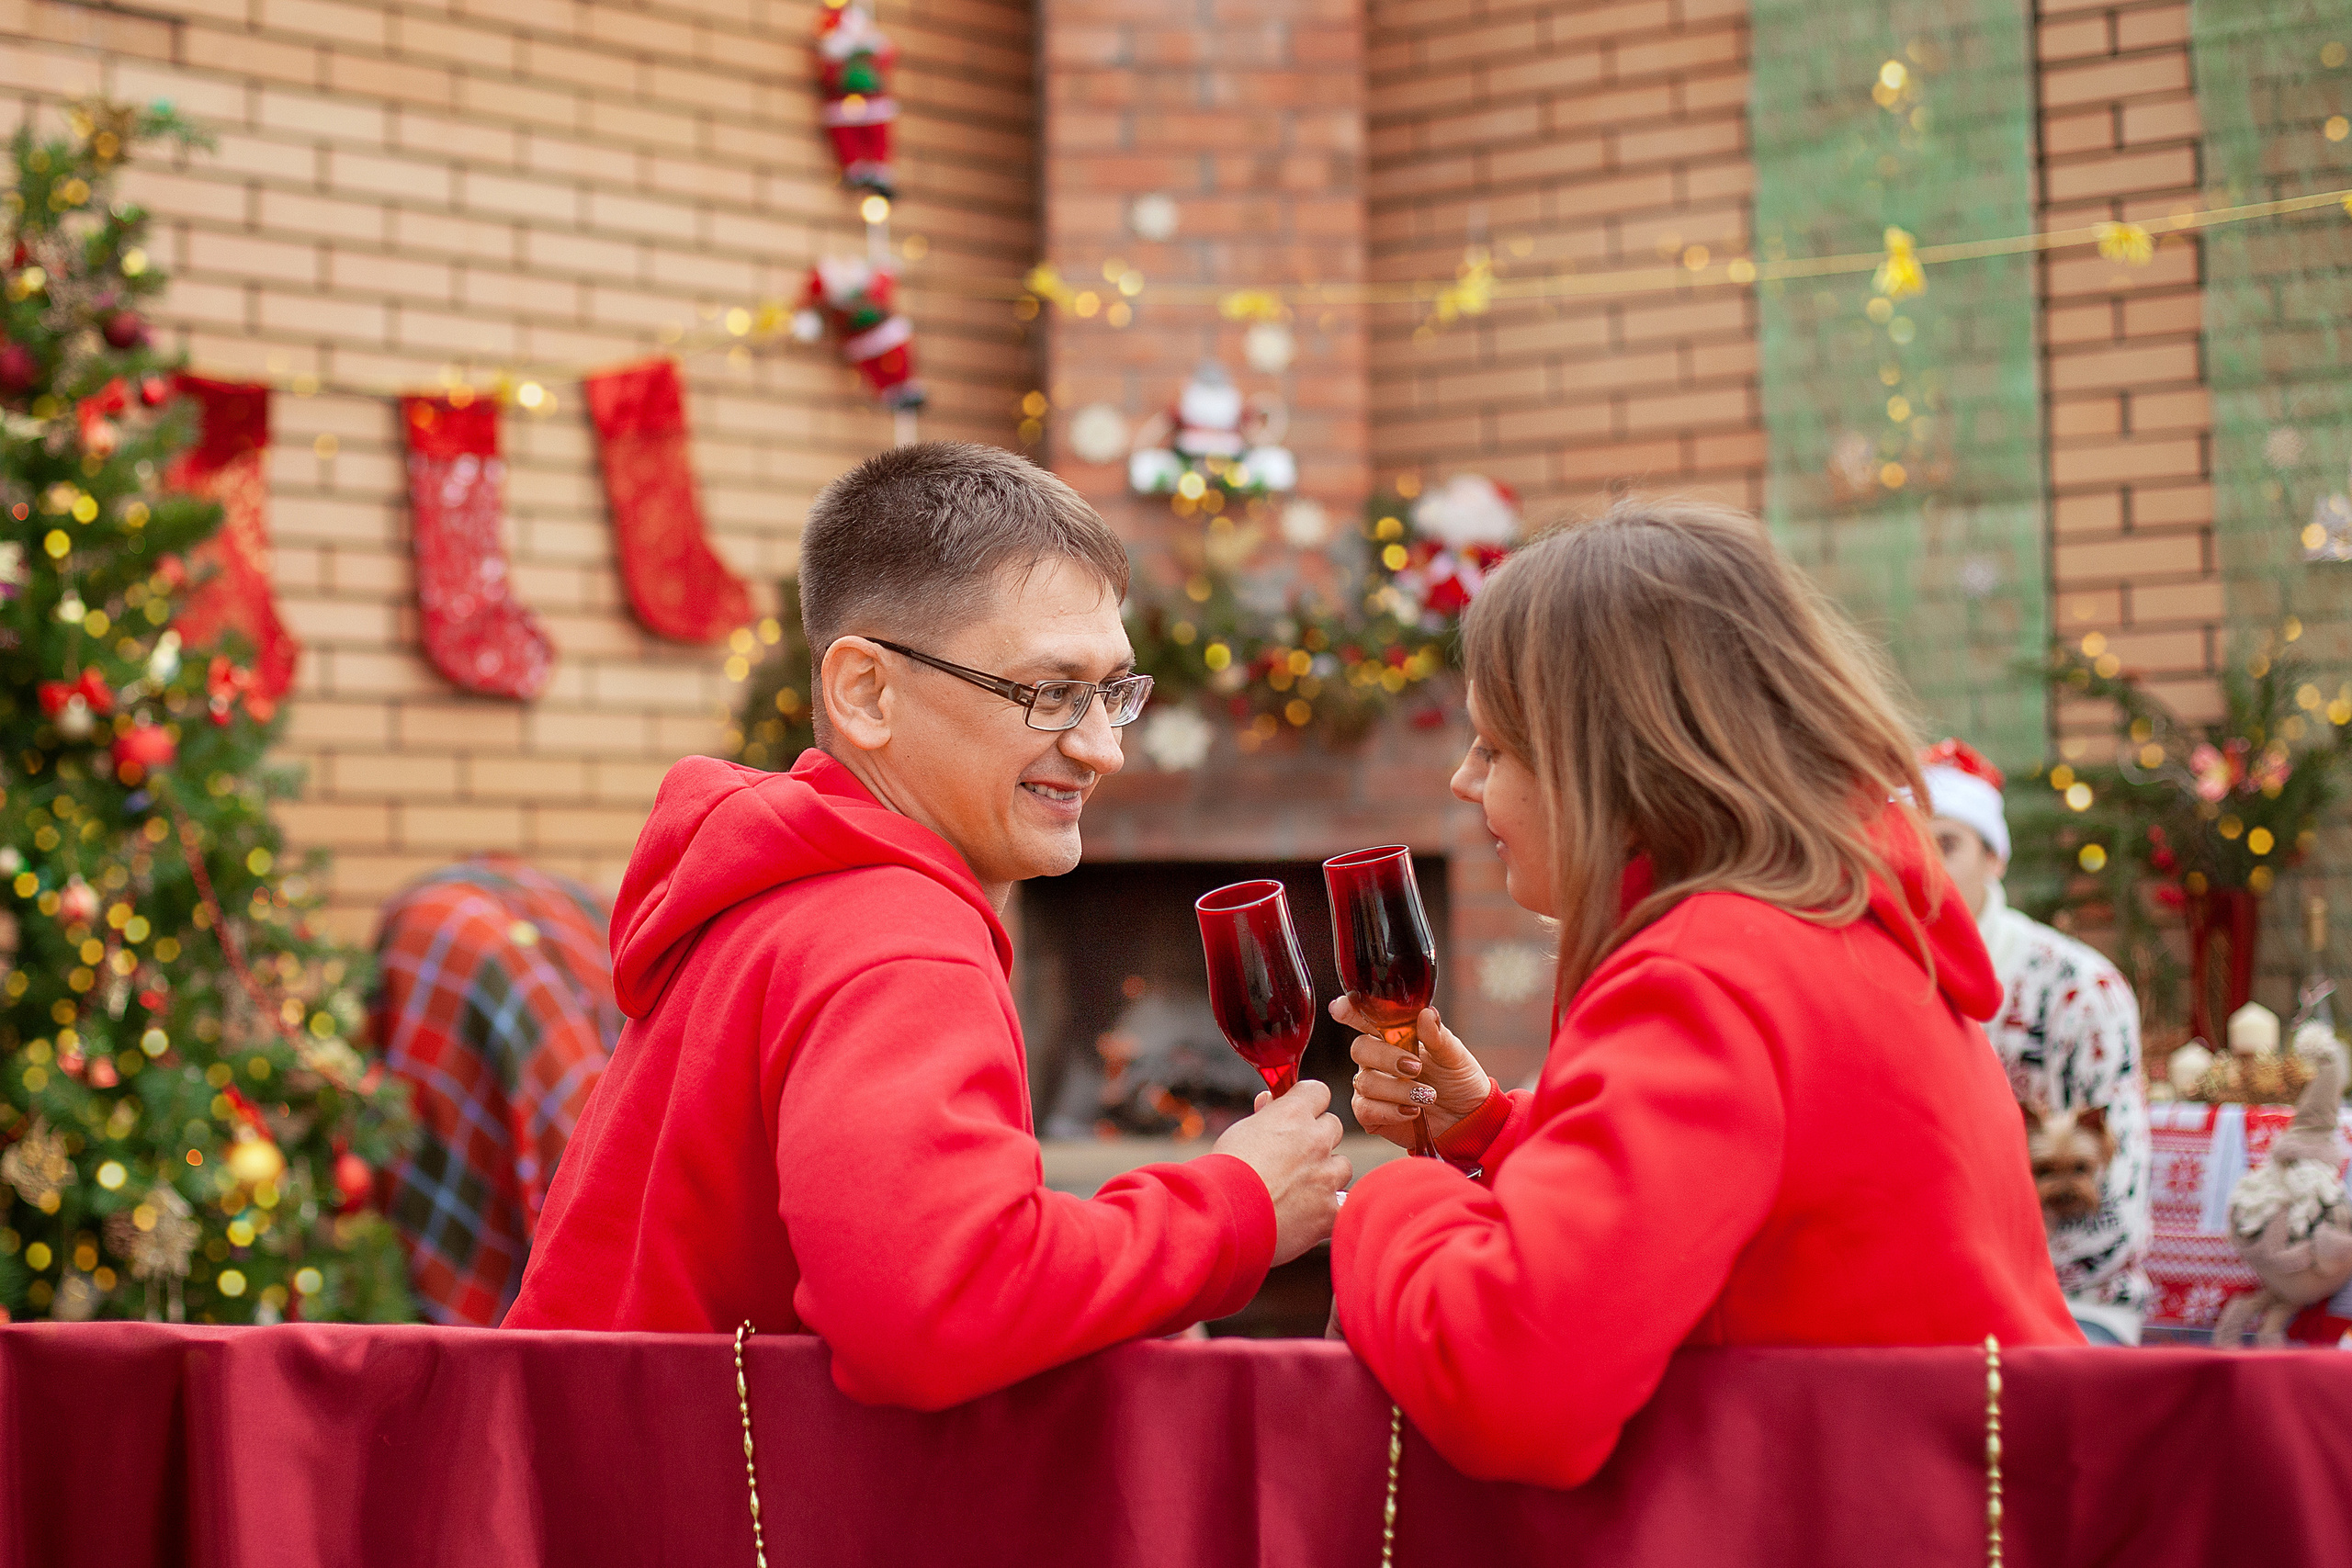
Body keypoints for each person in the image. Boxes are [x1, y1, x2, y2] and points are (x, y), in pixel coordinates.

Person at [507, 443, 1351, 1407]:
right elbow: (935, 1311)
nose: (1102, 748)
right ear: (866, 693)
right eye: (1050, 693)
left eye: (1114, 692)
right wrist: (1234, 1207)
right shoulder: (895, 936)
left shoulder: (784, 895)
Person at [1329, 497, 2078, 1492]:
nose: (1466, 785)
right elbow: (1731, 1228)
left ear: (1607, 764)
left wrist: (1387, 1199)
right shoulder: (1828, 924)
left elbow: (1515, 1386)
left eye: (1496, 749)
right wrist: (1495, 1132)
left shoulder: (1702, 976)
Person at [1921, 738, 2152, 1346]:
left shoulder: (2078, 989)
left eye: (1945, 843)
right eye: (1906, 847)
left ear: (1995, 855)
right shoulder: (1873, 982)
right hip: (1920, 1304)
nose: (1922, 869)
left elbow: (2116, 1211)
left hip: (2071, 1303)